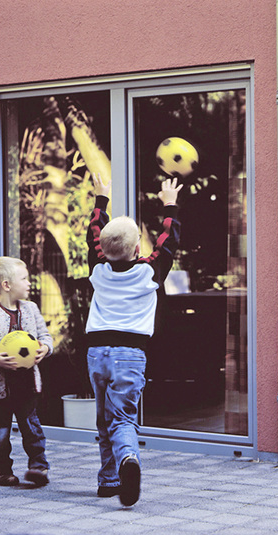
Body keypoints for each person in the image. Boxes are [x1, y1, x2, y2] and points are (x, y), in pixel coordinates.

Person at [85, 172, 182, 506]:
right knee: (123, 417)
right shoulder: (149, 272)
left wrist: (102, 199)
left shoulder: (97, 269)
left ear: (103, 250)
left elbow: (94, 233)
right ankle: (128, 460)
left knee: (102, 418)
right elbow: (168, 242)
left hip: (96, 351)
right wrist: (170, 205)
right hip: (130, 352)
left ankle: (108, 479)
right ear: (139, 247)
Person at [0, 257, 53, 487]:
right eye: (23, 279)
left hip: (25, 384)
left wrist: (44, 348)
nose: (29, 283)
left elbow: (45, 337)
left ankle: (38, 467)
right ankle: (1, 471)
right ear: (6, 285)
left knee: (32, 429)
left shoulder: (31, 309)